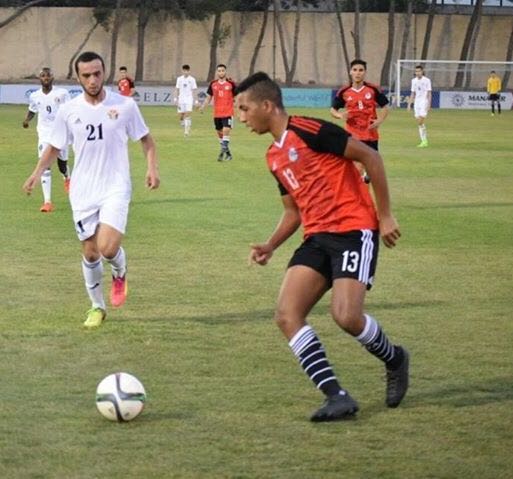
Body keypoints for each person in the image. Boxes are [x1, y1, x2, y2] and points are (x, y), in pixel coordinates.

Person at [234, 72, 409, 422]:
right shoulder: (273, 156)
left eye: (244, 108)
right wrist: (271, 244)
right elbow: (292, 211)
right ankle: (337, 396)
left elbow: (371, 159)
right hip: (316, 238)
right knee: (286, 315)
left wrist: (385, 216)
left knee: (345, 316)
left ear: (267, 105)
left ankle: (395, 358)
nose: (240, 117)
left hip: (352, 229)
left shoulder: (310, 130)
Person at [23, 51, 160, 328]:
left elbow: (147, 140)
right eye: (86, 75)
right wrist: (37, 172)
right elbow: (55, 146)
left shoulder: (124, 105)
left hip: (115, 186)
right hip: (83, 189)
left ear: (104, 72)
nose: (93, 80)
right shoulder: (69, 110)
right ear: (78, 77)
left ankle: (120, 271)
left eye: (97, 73)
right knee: (90, 252)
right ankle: (97, 307)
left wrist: (151, 168)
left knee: (107, 248)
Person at [331, 59, 389, 183]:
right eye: (355, 70)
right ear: (350, 72)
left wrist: (379, 121)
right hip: (353, 134)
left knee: (370, 169)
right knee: (358, 167)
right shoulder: (344, 92)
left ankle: (366, 179)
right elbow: (333, 110)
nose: (358, 73)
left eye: (361, 70)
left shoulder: (373, 89)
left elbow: (385, 107)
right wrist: (340, 115)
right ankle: (360, 194)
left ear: (365, 72)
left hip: (370, 134)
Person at [22, 67, 71, 212]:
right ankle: (47, 202)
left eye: (48, 75)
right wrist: (27, 120)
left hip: (61, 132)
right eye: (43, 76)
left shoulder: (62, 93)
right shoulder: (35, 96)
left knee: (62, 165)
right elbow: (33, 109)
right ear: (39, 79)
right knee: (45, 166)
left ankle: (67, 178)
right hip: (44, 134)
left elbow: (69, 110)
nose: (45, 78)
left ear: (52, 77)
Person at [200, 64, 236, 161]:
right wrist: (203, 106)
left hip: (228, 112)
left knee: (226, 130)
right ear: (217, 72)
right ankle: (227, 153)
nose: (221, 72)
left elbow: (237, 96)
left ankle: (221, 152)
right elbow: (208, 97)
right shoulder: (213, 84)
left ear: (225, 72)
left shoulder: (231, 84)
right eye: (219, 71)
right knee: (219, 132)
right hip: (217, 113)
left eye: (223, 71)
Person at [407, 65, 431, 148]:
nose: (417, 73)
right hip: (416, 103)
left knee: (420, 121)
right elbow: (413, 93)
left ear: (422, 71)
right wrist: (409, 104)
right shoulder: (413, 81)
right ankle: (424, 141)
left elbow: (429, 93)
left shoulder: (427, 80)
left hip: (424, 102)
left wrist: (429, 104)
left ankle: (424, 140)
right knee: (419, 122)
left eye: (419, 71)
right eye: (416, 71)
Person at [174, 64, 198, 136]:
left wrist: (196, 100)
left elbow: (194, 90)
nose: (186, 72)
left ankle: (186, 132)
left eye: (187, 71)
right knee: (182, 115)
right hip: (181, 98)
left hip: (189, 98)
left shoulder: (192, 79)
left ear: (189, 71)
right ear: (182, 71)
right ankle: (182, 121)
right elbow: (176, 89)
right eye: (184, 71)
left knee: (187, 114)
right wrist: (175, 98)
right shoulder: (179, 79)